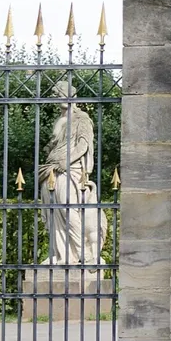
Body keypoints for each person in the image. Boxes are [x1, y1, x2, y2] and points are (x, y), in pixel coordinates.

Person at [40, 80, 105, 285]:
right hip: (50, 169)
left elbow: (84, 145)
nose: (58, 98)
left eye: (60, 94)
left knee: (69, 210)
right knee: (53, 212)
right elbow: (55, 144)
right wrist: (51, 152)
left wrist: (65, 161)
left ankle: (83, 253)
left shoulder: (81, 118)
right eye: (56, 95)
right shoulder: (60, 120)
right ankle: (62, 255)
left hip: (69, 169)